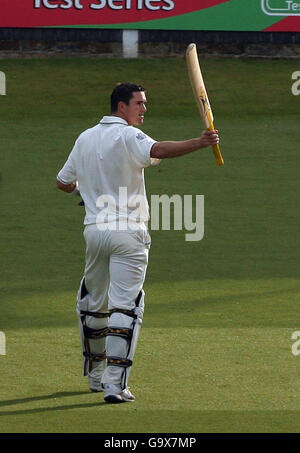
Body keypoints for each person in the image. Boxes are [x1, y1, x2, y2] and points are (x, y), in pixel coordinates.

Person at [56, 82, 219, 404]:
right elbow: (158, 150)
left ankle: (95, 376)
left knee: (93, 303)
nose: (144, 109)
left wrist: (86, 194)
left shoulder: (85, 137)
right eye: (140, 104)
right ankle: (115, 387)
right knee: (125, 308)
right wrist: (199, 142)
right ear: (122, 107)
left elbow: (63, 183)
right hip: (128, 233)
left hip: (95, 232)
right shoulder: (129, 135)